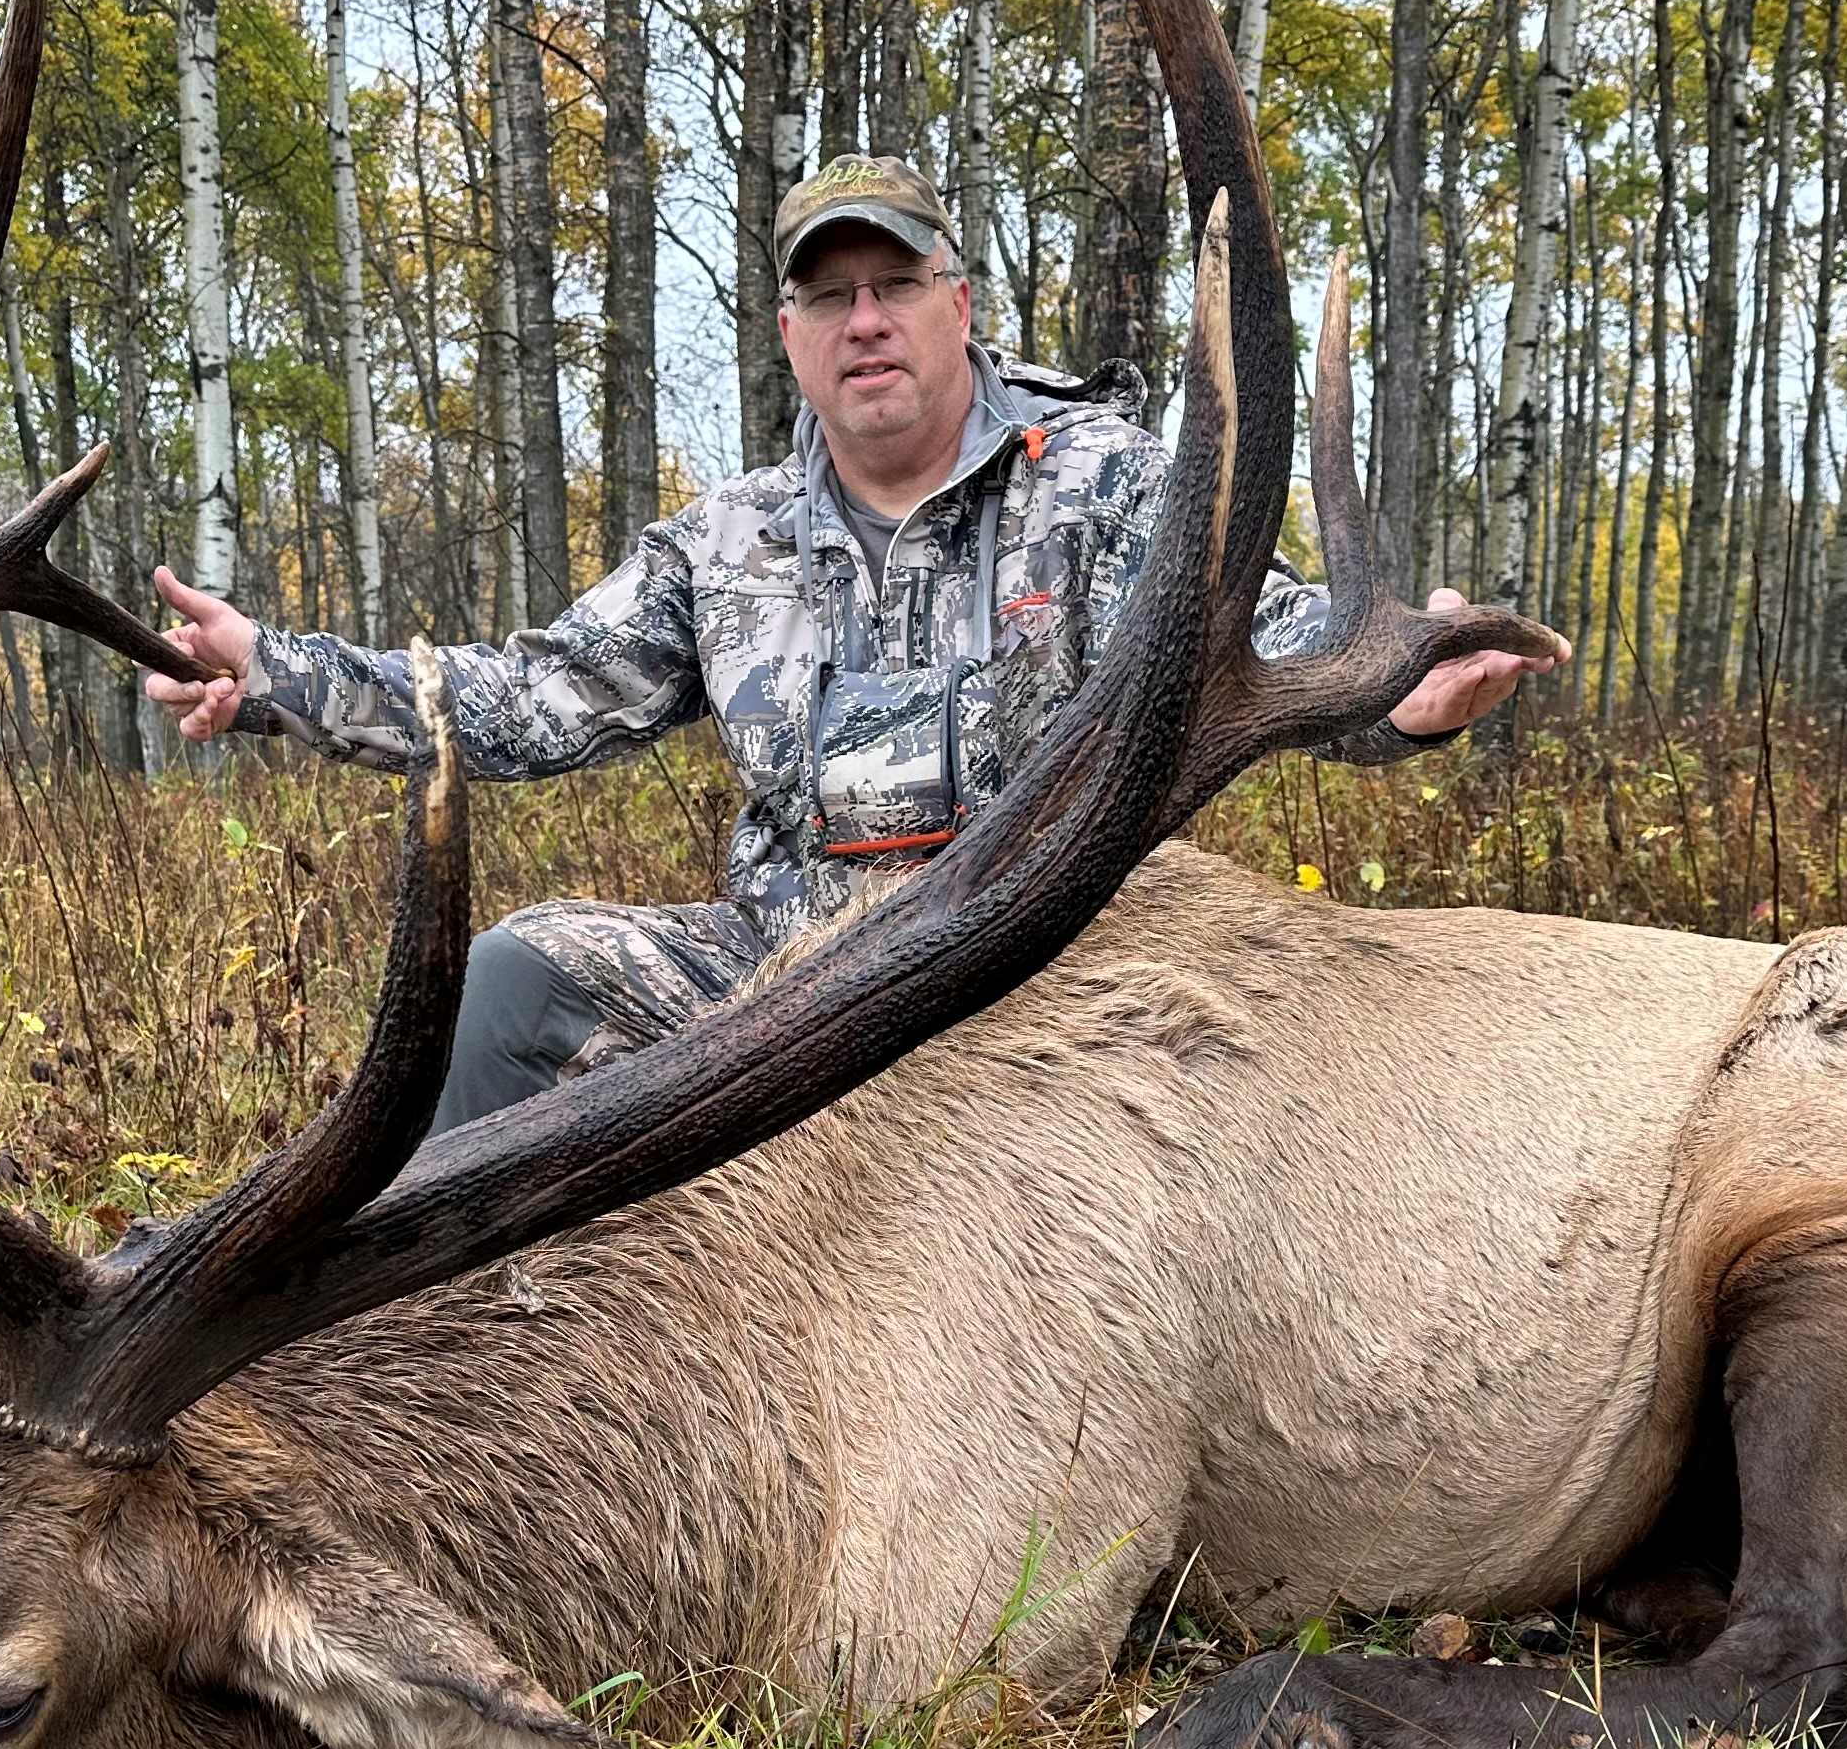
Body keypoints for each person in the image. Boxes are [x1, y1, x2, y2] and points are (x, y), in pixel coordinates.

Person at [143, 154, 1550, 1128]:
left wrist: (1402, 692)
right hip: (781, 984)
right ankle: (444, 1371)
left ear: (960, 302)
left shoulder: (1106, 485)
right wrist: (281, 676)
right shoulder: (729, 542)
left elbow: (1280, 647)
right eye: (831, 295)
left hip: (1038, 990)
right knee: (514, 979)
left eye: (895, 283)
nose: (865, 320)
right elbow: (527, 698)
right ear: (790, 332)